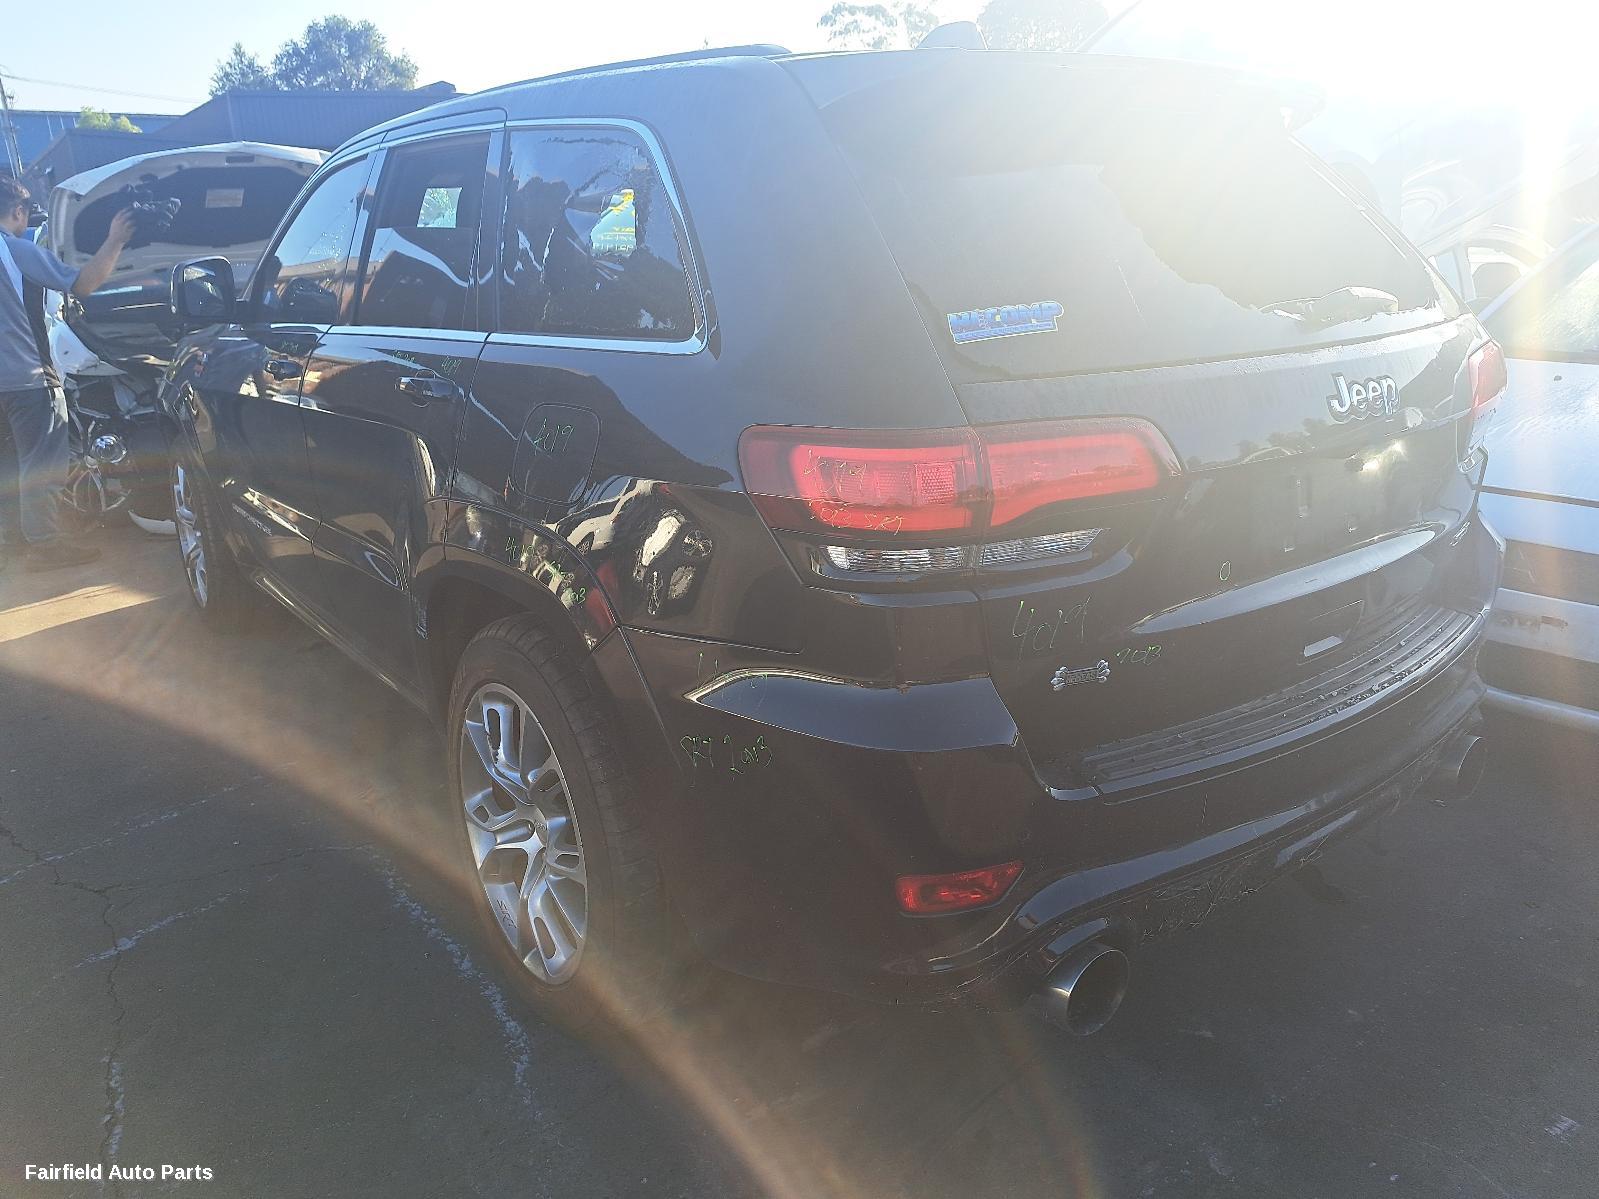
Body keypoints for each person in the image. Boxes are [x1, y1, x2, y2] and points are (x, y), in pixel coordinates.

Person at [0, 176, 134, 571]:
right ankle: (44, 545)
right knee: (42, 467)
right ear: (18, 211)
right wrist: (116, 240)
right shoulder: (16, 251)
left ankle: (13, 539)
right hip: (28, 379)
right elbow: (85, 284)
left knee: (9, 465)